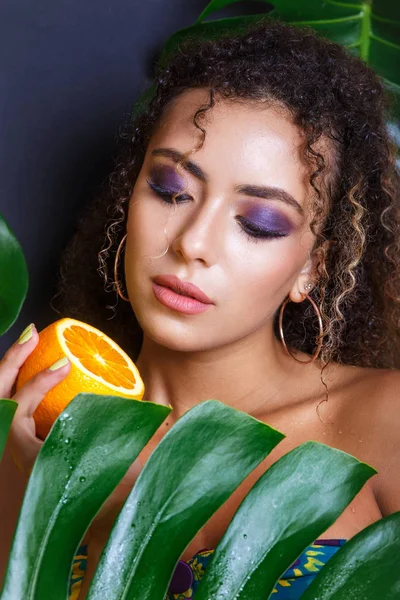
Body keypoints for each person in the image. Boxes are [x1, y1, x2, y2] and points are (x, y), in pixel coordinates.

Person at [1, 18, 399, 600]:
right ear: (126, 201)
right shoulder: (24, 444)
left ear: (314, 265)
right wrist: (39, 498)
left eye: (258, 223)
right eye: (170, 191)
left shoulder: (384, 417)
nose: (193, 243)